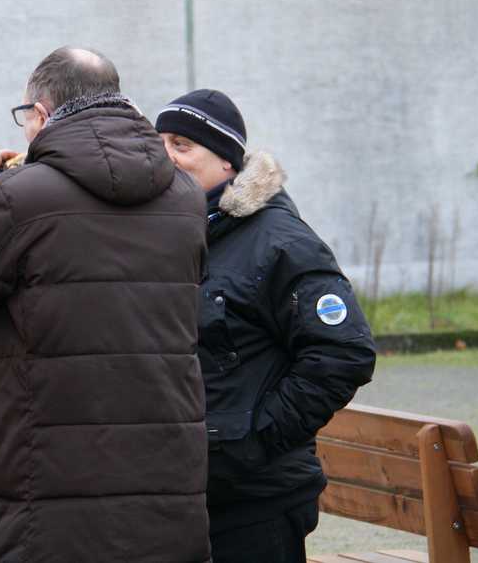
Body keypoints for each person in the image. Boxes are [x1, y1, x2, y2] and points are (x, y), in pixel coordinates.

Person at [0, 47, 212, 562]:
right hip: (166, 490)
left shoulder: (17, 198)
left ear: (42, 114)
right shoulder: (185, 197)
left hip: (47, 495)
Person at [155, 89, 377, 563]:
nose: (166, 155)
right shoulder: (175, 235)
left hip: (258, 504)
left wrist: (254, 438)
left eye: (182, 144)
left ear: (227, 162)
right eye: (160, 143)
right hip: (188, 496)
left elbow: (343, 352)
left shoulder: (280, 242)